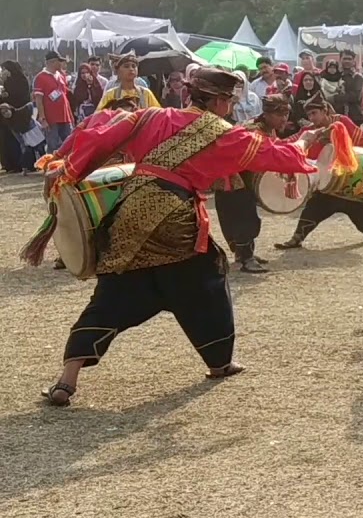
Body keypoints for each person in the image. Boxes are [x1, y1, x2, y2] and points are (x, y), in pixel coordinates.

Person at [26, 68, 316, 406]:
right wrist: (305, 142)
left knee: (112, 293)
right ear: (220, 101)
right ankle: (220, 362)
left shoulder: (150, 116)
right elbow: (276, 155)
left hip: (130, 209)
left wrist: (66, 168)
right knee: (207, 277)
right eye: (228, 101)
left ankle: (67, 379)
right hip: (175, 215)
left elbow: (100, 132)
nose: (229, 108)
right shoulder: (224, 133)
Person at [274, 100, 363, 249]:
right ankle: (297, 237)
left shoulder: (341, 122)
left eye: (314, 113)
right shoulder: (310, 131)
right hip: (327, 183)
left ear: (325, 111)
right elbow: (294, 141)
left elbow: (362, 137)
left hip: (347, 178)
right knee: (312, 209)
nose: (311, 118)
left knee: (360, 208)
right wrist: (274, 145)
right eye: (309, 114)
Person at [213, 94, 292, 274]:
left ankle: (245, 255)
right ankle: (245, 259)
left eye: (286, 114)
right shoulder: (253, 131)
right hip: (231, 178)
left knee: (247, 217)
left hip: (244, 179)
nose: (284, 119)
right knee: (243, 218)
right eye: (280, 115)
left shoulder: (268, 129)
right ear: (268, 114)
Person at [33, 51, 75, 152]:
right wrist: (43, 118)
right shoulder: (40, 77)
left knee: (69, 143)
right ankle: (51, 165)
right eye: (59, 61)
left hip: (65, 117)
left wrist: (70, 115)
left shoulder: (61, 76)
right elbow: (39, 99)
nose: (61, 64)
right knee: (53, 145)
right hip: (51, 118)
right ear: (52, 62)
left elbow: (64, 96)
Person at [331, 50, 363, 126]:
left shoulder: (358, 77)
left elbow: (355, 97)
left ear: (353, 61)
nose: (347, 61)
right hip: (336, 115)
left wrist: (334, 98)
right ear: (340, 60)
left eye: (349, 59)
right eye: (345, 58)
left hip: (354, 117)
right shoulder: (334, 76)